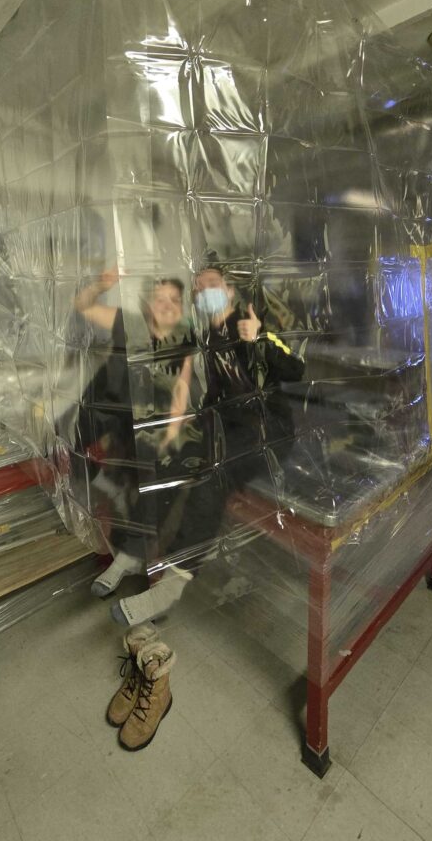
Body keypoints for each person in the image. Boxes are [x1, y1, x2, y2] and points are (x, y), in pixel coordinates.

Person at [110, 263, 305, 626]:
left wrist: (260, 339)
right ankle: (133, 549)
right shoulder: (205, 336)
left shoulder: (250, 324)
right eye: (198, 288)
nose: (204, 292)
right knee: (164, 459)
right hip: (225, 427)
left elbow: (297, 368)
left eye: (212, 284)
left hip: (267, 431)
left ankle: (172, 586)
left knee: (211, 477)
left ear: (229, 291)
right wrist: (177, 431)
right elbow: (197, 388)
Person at [73, 269, 197, 597]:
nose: (167, 305)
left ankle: (129, 556)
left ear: (182, 306)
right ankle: (109, 486)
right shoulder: (127, 321)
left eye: (174, 300)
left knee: (163, 468)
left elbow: (181, 389)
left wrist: (172, 431)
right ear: (147, 303)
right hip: (104, 407)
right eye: (160, 299)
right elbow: (83, 305)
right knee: (64, 448)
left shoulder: (184, 338)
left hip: (146, 418)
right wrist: (101, 284)